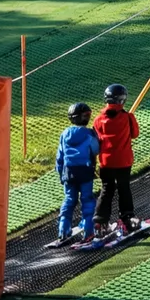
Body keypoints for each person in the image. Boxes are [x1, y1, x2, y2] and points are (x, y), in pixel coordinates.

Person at [93, 84, 140, 240]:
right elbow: (135, 134)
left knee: (106, 190)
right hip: (123, 161)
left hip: (106, 162)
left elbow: (96, 138)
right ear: (123, 99)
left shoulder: (98, 119)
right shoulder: (127, 117)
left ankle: (100, 221)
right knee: (124, 188)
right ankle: (127, 217)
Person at [50, 102, 99, 247]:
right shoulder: (89, 133)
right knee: (87, 199)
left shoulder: (64, 134)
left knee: (69, 199)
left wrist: (61, 174)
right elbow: (95, 150)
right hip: (85, 170)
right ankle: (88, 230)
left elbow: (60, 156)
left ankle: (63, 229)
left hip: (68, 172)